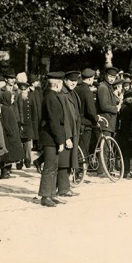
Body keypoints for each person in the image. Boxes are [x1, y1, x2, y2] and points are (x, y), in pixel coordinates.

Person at [37, 72, 76, 207]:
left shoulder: (50, 96)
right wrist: (60, 141)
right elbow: (54, 122)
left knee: (53, 166)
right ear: (58, 84)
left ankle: (52, 194)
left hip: (50, 137)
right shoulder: (51, 98)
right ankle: (45, 196)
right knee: (49, 167)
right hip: (50, 138)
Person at [74, 69, 98, 160]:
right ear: (90, 79)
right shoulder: (87, 91)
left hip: (77, 122)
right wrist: (96, 119)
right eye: (93, 78)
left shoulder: (77, 89)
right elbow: (91, 110)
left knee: (77, 147)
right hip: (86, 124)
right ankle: (80, 170)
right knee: (84, 149)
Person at [15, 78, 34, 169]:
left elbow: (34, 110)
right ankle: (19, 161)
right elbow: (17, 111)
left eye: (25, 89)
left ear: (28, 89)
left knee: (28, 143)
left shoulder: (31, 97)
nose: (23, 91)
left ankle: (27, 161)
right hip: (20, 123)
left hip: (29, 123)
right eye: (21, 89)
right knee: (20, 143)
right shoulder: (17, 98)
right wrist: (20, 123)